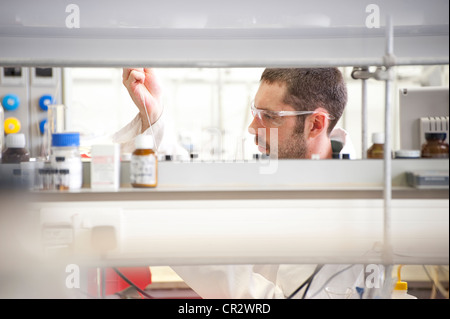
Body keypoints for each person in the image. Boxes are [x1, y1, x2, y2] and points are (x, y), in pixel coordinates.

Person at [113, 67, 365, 299]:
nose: (252, 127)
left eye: (270, 116)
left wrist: (176, 241)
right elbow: (201, 194)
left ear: (316, 124)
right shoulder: (274, 168)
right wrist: (153, 114)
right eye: (255, 112)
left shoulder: (358, 208)